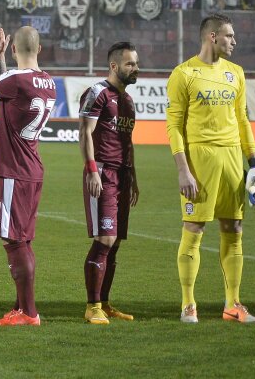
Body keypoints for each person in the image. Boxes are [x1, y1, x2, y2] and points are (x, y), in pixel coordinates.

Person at [166, 13, 255, 324]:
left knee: (234, 229)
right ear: (212, 37)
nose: (234, 41)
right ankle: (188, 304)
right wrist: (183, 169)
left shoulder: (236, 73)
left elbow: (243, 120)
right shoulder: (184, 73)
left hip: (233, 158)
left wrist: (254, 163)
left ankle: (233, 304)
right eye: (229, 36)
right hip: (200, 159)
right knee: (194, 229)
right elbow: (174, 125)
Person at [0, 26, 56, 326]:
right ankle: (22, 308)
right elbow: (9, 90)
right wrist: (2, 63)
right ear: (40, 49)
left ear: (13, 49)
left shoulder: (14, 80)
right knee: (23, 240)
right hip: (33, 168)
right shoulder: (49, 82)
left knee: (13, 241)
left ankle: (29, 313)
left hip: (12, 170)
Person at [78, 41, 140, 325]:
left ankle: (104, 303)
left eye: (136, 63)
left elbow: (128, 142)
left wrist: (134, 177)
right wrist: (91, 169)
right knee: (105, 240)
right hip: (102, 173)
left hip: (123, 175)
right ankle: (92, 307)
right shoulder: (97, 93)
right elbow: (85, 132)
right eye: (130, 63)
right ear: (114, 66)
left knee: (115, 244)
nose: (135, 68)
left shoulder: (127, 101)